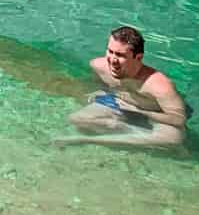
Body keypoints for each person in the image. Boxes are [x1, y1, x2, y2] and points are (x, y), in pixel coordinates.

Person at [59, 25, 189, 149]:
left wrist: (140, 114)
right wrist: (97, 93)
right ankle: (126, 130)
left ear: (138, 57)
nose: (112, 60)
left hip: (153, 115)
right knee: (77, 119)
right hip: (120, 106)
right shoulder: (98, 66)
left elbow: (178, 119)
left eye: (120, 55)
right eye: (110, 51)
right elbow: (101, 87)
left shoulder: (159, 85)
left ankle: (89, 140)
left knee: (173, 139)